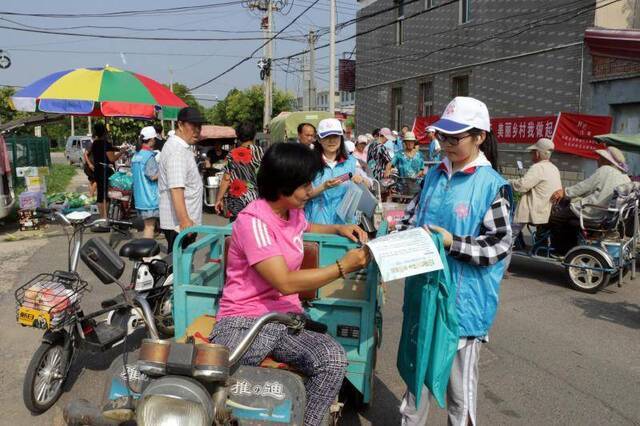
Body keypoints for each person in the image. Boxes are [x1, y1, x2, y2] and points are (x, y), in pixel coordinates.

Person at [210, 142, 370, 426]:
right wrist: (344, 266)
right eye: (305, 185)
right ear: (282, 187)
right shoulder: (253, 222)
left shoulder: (292, 212)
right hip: (244, 321)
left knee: (333, 359)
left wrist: (337, 228)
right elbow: (284, 282)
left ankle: (305, 421)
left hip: (285, 317)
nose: (311, 190)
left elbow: (305, 228)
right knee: (221, 370)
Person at [398, 97, 512, 426]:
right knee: (415, 381)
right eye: (441, 137)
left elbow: (498, 245)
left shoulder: (493, 186)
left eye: (454, 138)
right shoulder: (433, 176)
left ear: (479, 136)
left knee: (459, 395)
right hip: (423, 295)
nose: (445, 144)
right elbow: (409, 221)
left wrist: (452, 242)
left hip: (464, 305)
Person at [549, 146, 630, 253]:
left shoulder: (605, 170)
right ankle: (572, 246)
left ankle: (562, 250)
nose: (597, 159)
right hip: (609, 215)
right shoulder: (624, 176)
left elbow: (584, 186)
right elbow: (596, 189)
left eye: (600, 157)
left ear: (606, 160)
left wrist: (564, 192)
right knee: (569, 219)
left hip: (593, 211)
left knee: (556, 218)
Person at [305, 118, 370, 225]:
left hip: (345, 226)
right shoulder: (309, 162)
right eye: (326, 137)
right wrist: (323, 187)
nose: (332, 141)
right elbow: (303, 196)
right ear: (319, 139)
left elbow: (368, 183)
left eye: (335, 136)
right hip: (317, 225)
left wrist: (361, 180)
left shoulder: (351, 162)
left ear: (341, 138)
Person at [158, 106, 205, 253]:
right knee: (179, 270)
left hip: (182, 223)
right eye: (193, 125)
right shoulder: (177, 151)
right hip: (180, 225)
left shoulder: (180, 148)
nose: (197, 130)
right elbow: (176, 188)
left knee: (181, 268)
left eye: (199, 126)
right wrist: (185, 220)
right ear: (180, 124)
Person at [214, 122, 264, 222]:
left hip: (237, 199)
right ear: (254, 135)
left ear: (238, 136)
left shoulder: (232, 154)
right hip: (256, 199)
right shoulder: (261, 152)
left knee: (236, 228)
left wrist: (218, 199)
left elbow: (226, 178)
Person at [510, 138, 562, 228]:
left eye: (533, 152)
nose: (531, 154)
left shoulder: (538, 167)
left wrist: (508, 182)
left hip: (533, 211)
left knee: (511, 233)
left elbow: (522, 186)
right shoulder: (554, 168)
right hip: (546, 211)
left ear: (538, 153)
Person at [90, 122, 124, 219]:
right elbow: (112, 159)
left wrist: (115, 148)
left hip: (97, 169)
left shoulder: (95, 143)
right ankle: (105, 217)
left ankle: (102, 217)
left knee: (100, 194)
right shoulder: (106, 144)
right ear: (105, 132)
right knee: (106, 194)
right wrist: (121, 152)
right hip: (104, 170)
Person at [132, 126, 160, 238]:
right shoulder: (148, 156)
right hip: (149, 198)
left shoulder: (136, 155)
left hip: (139, 198)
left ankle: (147, 253)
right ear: (152, 140)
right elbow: (153, 176)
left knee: (147, 227)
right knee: (149, 228)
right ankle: (147, 255)